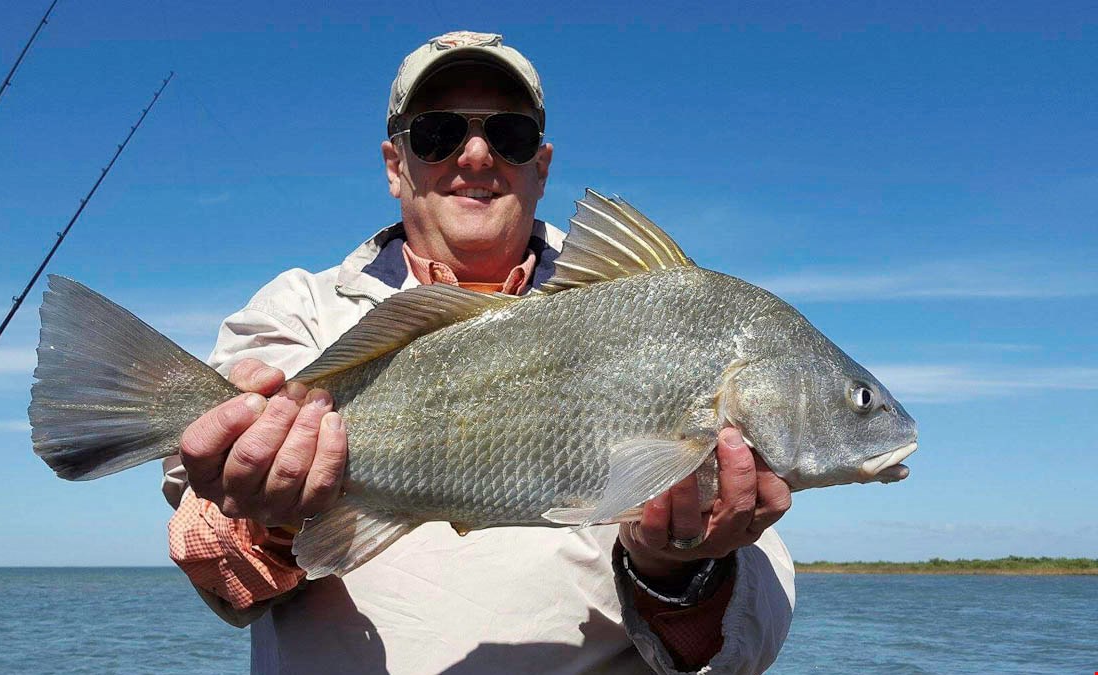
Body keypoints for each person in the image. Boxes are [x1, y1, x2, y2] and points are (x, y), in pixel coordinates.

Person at [162, 31, 795, 674]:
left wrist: (680, 571)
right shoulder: (295, 310)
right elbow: (214, 562)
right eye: (436, 133)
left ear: (541, 166)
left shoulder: (661, 323)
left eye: (509, 135)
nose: (474, 156)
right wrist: (268, 517)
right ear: (394, 163)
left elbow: (748, 643)